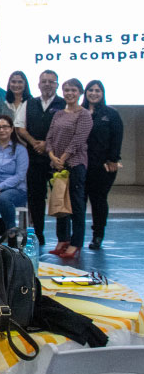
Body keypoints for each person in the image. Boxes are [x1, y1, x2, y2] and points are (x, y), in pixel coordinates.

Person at [14, 69, 65, 245]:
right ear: (38, 84)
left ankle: (63, 238)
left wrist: (48, 145)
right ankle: (38, 233)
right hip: (34, 158)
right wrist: (34, 142)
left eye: (51, 81)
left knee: (61, 197)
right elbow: (20, 127)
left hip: (57, 159)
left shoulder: (64, 103)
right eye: (44, 81)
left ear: (57, 85)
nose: (47, 84)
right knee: (36, 198)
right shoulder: (29, 103)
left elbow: (67, 131)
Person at [46, 78, 93, 260]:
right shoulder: (58, 114)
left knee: (76, 204)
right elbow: (49, 137)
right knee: (60, 204)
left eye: (73, 90)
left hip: (75, 165)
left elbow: (78, 140)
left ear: (80, 93)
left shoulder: (84, 115)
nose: (69, 93)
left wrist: (63, 159)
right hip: (57, 165)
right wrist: (52, 156)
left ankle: (75, 243)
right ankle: (62, 239)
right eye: (66, 90)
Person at [82, 80, 123, 250]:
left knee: (98, 201)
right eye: (90, 90)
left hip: (103, 167)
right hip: (81, 165)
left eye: (97, 90)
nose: (94, 93)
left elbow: (117, 138)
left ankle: (98, 235)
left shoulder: (111, 114)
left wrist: (113, 159)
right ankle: (75, 237)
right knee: (78, 203)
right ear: (85, 93)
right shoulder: (79, 112)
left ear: (102, 93)